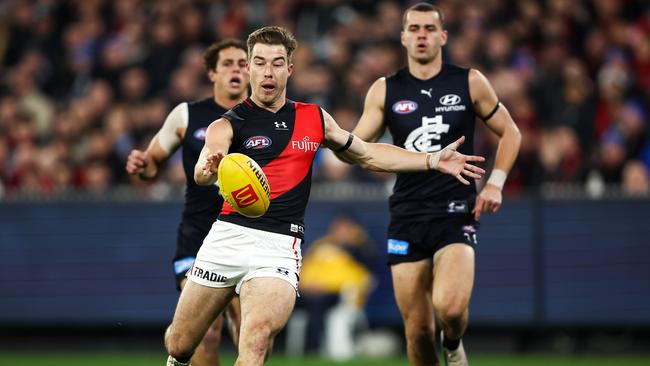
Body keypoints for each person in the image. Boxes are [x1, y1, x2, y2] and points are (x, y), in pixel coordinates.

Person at [163, 26, 485, 366]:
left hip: (278, 247)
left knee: (256, 339)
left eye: (277, 63)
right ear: (249, 69)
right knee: (180, 344)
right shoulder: (226, 125)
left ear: (290, 68)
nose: (267, 72)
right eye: (259, 62)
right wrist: (209, 166)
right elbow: (202, 170)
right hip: (227, 239)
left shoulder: (314, 118)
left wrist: (432, 159)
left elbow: (367, 154)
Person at [351, 3, 522, 365]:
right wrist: (331, 140)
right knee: (417, 331)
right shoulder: (385, 90)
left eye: (429, 28)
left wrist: (495, 183)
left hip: (455, 212)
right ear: (402, 37)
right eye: (414, 29)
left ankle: (455, 343)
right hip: (406, 216)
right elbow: (356, 147)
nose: (422, 35)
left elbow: (511, 131)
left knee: (450, 308)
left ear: (443, 36)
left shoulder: (469, 81)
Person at [125, 39, 250, 366]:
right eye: (228, 64)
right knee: (205, 332)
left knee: (248, 332)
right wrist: (142, 164)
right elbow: (153, 162)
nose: (236, 69)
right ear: (212, 73)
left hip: (246, 234)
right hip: (197, 237)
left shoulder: (264, 118)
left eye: (242, 63)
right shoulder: (187, 114)